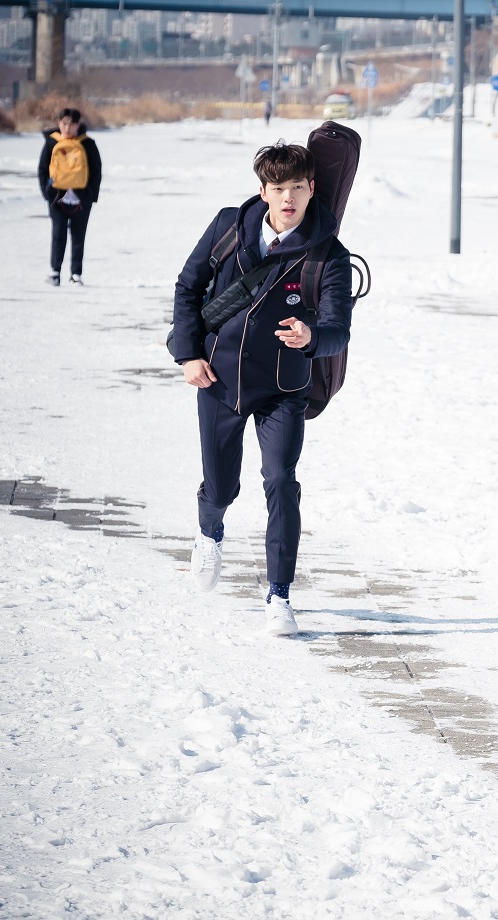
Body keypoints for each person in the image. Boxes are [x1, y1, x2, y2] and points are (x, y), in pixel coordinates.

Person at [169, 142, 354, 637]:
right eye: (278, 188)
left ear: (312, 189)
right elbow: (188, 287)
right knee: (220, 486)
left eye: (297, 187)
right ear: (263, 191)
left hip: (282, 389)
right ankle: (210, 533)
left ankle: (279, 596)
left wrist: (312, 336)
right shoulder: (230, 227)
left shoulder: (328, 254)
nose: (288, 198)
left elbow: (338, 329)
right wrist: (188, 354)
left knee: (280, 481)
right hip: (219, 379)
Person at [37, 107, 102, 286]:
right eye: (64, 124)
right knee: (58, 234)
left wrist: (91, 195)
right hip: (56, 196)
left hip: (82, 197)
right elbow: (42, 169)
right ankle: (55, 272)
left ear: (78, 125)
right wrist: (46, 192)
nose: (67, 128)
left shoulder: (88, 144)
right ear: (59, 123)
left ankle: (76, 274)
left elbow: (96, 171)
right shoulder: (51, 143)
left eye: (72, 124)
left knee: (78, 235)